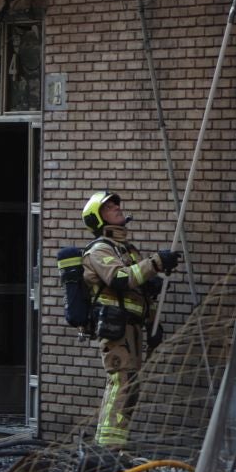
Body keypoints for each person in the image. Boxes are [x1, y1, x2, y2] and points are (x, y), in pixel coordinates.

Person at [80, 191, 182, 451]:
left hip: (133, 327)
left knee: (131, 385)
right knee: (121, 381)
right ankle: (107, 449)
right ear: (97, 219)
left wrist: (152, 323)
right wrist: (156, 263)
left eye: (116, 204)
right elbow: (121, 279)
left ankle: (115, 443)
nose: (115, 207)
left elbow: (139, 291)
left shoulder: (127, 250)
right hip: (116, 327)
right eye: (108, 206)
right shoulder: (100, 250)